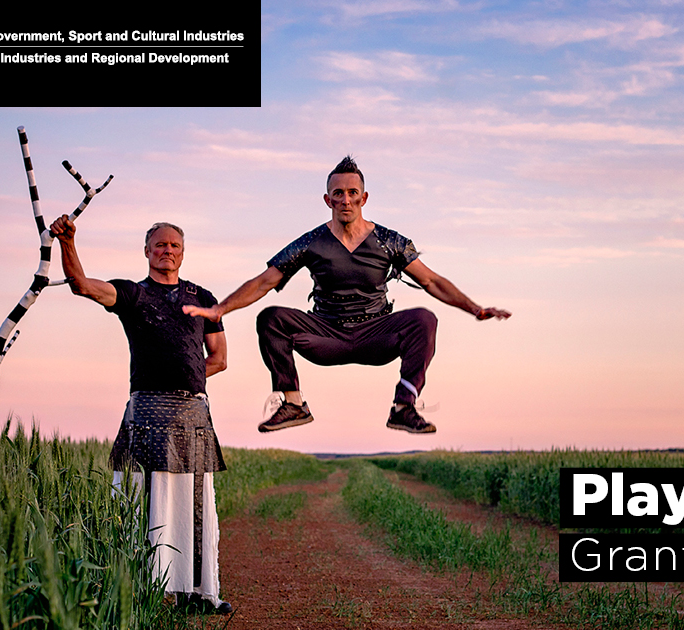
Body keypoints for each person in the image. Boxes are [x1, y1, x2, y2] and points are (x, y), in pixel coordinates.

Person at [183, 156, 510, 434]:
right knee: (271, 317)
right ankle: (293, 404)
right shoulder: (310, 242)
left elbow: (433, 282)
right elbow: (265, 281)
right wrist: (220, 309)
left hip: (375, 333)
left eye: (352, 193)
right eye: (337, 193)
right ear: (328, 200)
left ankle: (404, 406)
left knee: (424, 318)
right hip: (326, 333)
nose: (345, 200)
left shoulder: (389, 241)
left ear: (364, 198)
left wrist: (475, 309)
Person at [49, 215, 233, 615]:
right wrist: (68, 242)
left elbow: (219, 358)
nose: (167, 251)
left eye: (174, 246)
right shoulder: (133, 295)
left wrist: (185, 373)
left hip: (192, 414)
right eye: (160, 245)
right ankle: (136, 589)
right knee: (139, 501)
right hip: (145, 410)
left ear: (183, 253)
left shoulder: (204, 297)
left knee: (195, 504)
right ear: (147, 251)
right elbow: (82, 285)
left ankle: (199, 594)